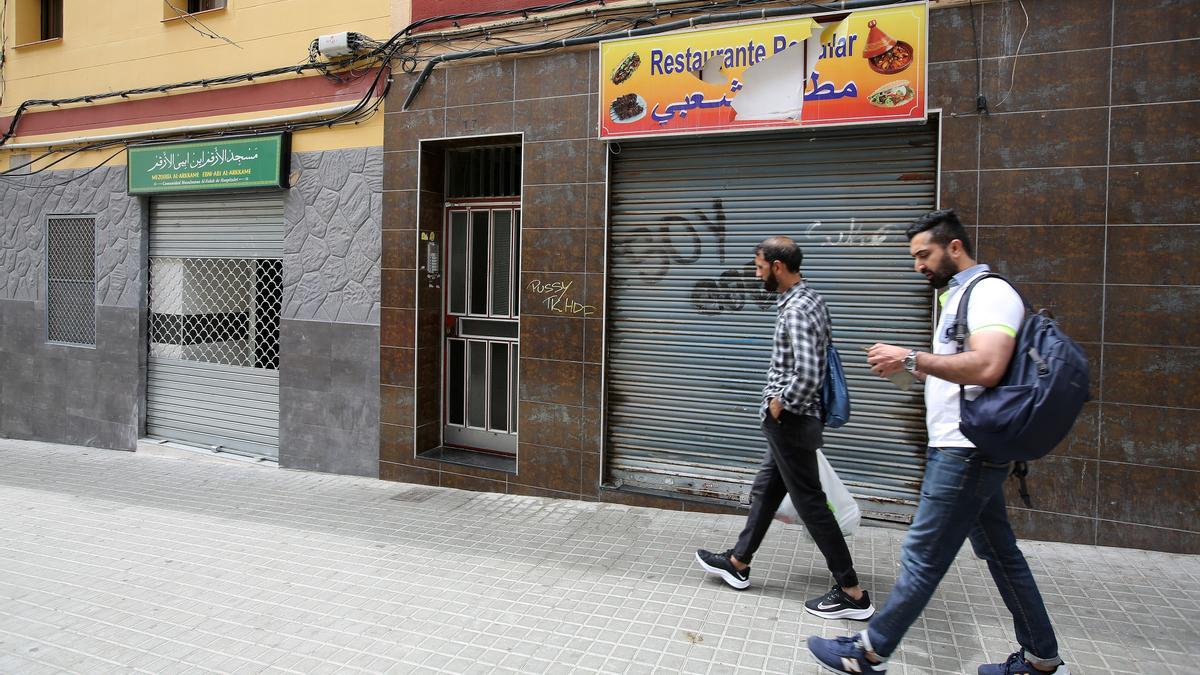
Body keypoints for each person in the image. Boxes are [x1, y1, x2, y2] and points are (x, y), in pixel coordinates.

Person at [806, 210, 1070, 674]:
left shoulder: (989, 293)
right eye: (914, 257)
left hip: (965, 452)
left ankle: (868, 652)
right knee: (1001, 554)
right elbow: (960, 369)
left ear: (953, 247)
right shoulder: (961, 296)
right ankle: (1041, 659)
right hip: (964, 448)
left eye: (923, 255)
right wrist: (911, 366)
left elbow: (987, 366)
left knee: (923, 557)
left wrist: (910, 355)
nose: (917, 266)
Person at [694, 237, 874, 621]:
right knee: (766, 488)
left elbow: (808, 372)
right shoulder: (811, 299)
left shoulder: (796, 311)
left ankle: (852, 592)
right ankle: (738, 562)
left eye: (759, 267)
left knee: (810, 502)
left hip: (791, 420)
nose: (757, 275)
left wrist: (780, 403)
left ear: (777, 266)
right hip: (794, 421)